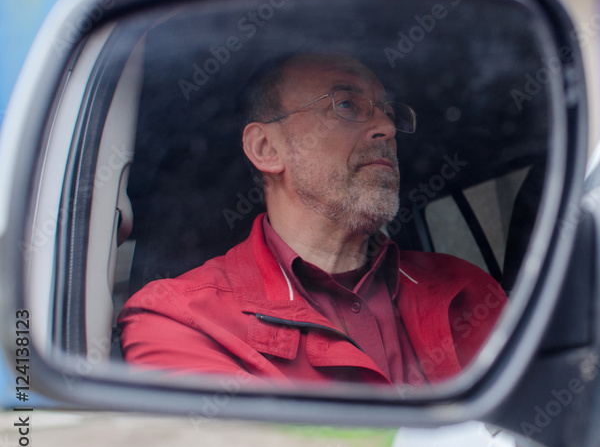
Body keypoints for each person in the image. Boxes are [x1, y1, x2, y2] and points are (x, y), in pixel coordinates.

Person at [118, 54, 506, 387]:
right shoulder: (181, 320)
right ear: (266, 148)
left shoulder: (469, 292)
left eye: (388, 112)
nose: (387, 128)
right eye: (346, 105)